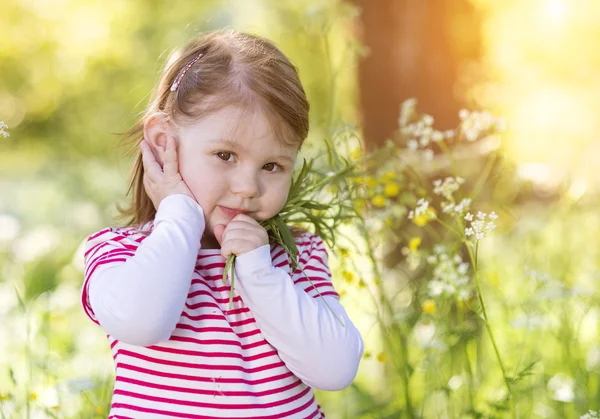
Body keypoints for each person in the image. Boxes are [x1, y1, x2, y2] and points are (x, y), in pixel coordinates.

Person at [81, 29, 364, 418]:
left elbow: (335, 368)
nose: (248, 187)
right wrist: (178, 213)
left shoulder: (297, 256)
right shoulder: (119, 252)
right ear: (165, 142)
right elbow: (141, 323)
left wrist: (259, 272)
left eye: (272, 165)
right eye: (225, 155)